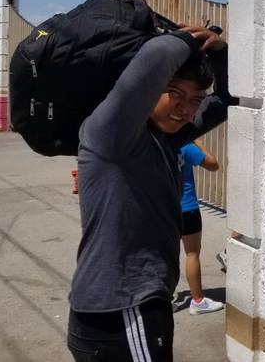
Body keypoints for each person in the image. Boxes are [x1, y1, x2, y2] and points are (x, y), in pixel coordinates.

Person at [66, 25, 236, 362]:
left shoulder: (166, 139)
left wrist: (220, 53)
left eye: (194, 99)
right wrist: (189, 40)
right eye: (174, 92)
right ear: (148, 91)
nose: (184, 109)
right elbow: (158, 55)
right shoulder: (111, 135)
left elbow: (226, 100)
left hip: (132, 305)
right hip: (124, 309)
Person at [179, 139, 224, 314]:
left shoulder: (154, 143)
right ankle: (197, 301)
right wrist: (198, 141)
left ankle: (161, 300)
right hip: (187, 208)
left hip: (162, 209)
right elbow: (213, 164)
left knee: (165, 256)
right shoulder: (185, 146)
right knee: (192, 254)